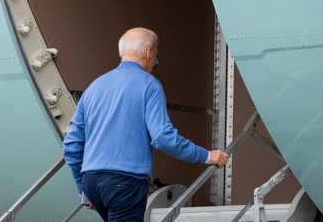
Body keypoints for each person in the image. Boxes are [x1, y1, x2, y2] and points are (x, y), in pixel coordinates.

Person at [63, 27, 229, 222]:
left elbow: (71, 145)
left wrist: (82, 189)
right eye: (156, 54)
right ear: (149, 52)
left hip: (92, 182)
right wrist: (207, 156)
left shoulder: (94, 87)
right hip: (124, 183)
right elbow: (163, 138)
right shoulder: (149, 85)